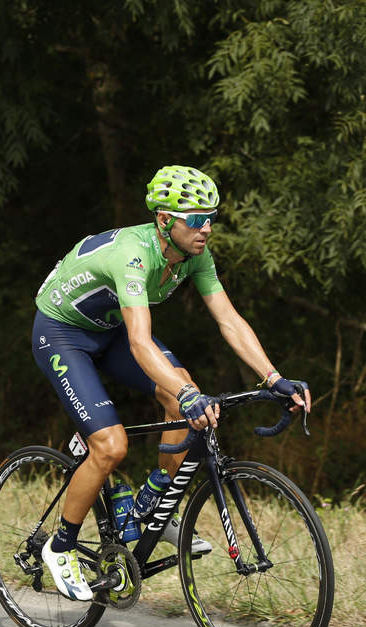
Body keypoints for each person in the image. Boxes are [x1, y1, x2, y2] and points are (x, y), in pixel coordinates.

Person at [32, 165, 310, 601]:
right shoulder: (134, 254)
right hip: (63, 333)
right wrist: (186, 394)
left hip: (110, 330)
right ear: (165, 220)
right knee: (112, 445)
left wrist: (272, 377)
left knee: (186, 394)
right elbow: (141, 342)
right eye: (196, 219)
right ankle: (61, 545)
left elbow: (229, 319)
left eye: (211, 217)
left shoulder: (195, 254)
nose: (207, 228)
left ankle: (153, 503)